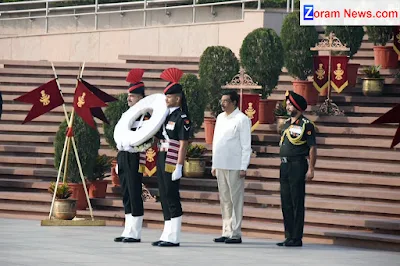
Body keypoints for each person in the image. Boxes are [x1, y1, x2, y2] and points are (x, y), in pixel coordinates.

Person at [151, 67, 191, 247]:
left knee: (171, 194)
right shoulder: (164, 116)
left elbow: (183, 143)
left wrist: (179, 165)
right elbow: (158, 136)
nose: (166, 99)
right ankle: (166, 232)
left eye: (169, 96)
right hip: (161, 155)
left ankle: (174, 235)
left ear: (177, 98)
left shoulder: (182, 117)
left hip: (172, 158)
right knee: (163, 194)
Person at [277, 90, 317, 247]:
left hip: (298, 165)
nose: (287, 107)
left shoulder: (307, 125)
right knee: (285, 201)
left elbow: (312, 148)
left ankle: (296, 237)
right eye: (287, 104)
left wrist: (311, 169)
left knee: (296, 201)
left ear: (298, 106)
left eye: (290, 104)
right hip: (284, 165)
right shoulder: (286, 123)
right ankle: (288, 236)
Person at [211, 90, 252, 244]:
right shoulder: (220, 118)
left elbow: (246, 145)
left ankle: (235, 232)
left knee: (235, 199)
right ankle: (226, 230)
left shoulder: (242, 119)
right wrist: (214, 163)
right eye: (222, 100)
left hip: (235, 165)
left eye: (226, 101)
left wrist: (243, 166)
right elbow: (216, 141)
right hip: (221, 163)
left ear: (234, 102)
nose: (223, 103)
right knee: (225, 199)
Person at [114, 68, 149, 243]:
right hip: (123, 155)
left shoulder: (146, 117)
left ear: (141, 98)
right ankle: (127, 230)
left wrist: (136, 149)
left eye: (133, 96)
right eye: (129, 95)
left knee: (135, 193)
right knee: (126, 192)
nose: (129, 98)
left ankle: (135, 232)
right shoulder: (126, 115)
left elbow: (149, 140)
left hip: (135, 156)